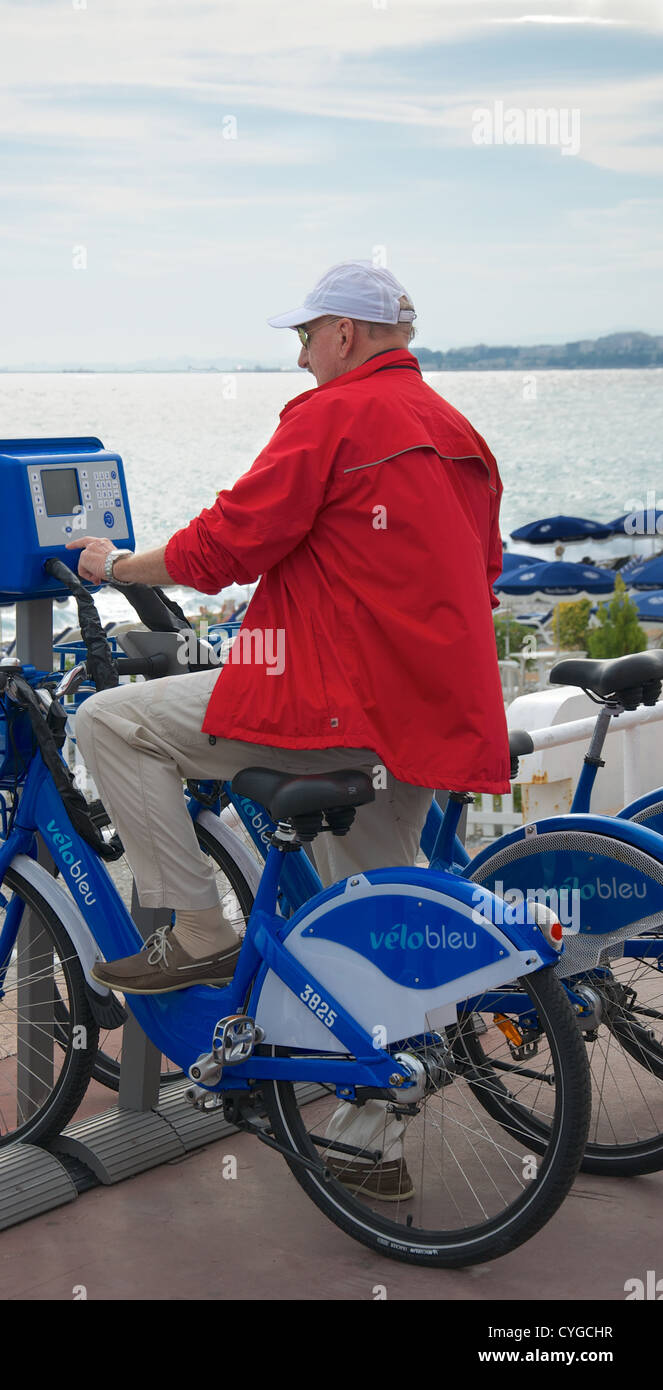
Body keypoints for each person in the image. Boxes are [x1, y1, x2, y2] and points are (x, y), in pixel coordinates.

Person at [69, 260, 510, 1198]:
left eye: (304, 337)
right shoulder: (458, 434)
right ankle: (369, 1138)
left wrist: (115, 564)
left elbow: (225, 543)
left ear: (345, 335)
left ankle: (195, 926)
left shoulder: (331, 417)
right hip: (422, 715)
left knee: (110, 720)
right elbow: (480, 566)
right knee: (382, 917)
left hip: (332, 706)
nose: (300, 355)